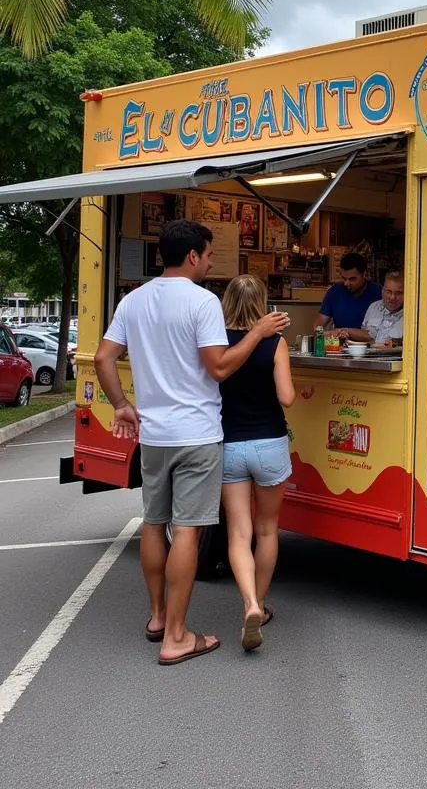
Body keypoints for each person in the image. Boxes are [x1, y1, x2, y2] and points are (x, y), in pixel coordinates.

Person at [93, 220, 290, 666]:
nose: (211, 261)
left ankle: (158, 617)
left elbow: (105, 357)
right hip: (198, 434)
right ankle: (178, 637)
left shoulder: (133, 300)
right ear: (194, 256)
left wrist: (122, 405)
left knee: (152, 522)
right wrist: (259, 333)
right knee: (188, 529)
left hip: (155, 434)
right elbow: (219, 368)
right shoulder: (202, 302)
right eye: (209, 254)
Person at [219, 275, 296, 652]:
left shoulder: (217, 344)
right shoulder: (274, 343)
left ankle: (248, 601)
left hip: (229, 445)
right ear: (262, 302)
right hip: (269, 444)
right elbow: (287, 397)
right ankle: (259, 606)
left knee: (238, 533)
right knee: (267, 530)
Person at [314, 252, 381, 339]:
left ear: (364, 274)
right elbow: (318, 326)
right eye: (344, 278)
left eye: (352, 279)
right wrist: (326, 333)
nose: (346, 283)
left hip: (370, 347)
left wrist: (344, 331)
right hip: (341, 345)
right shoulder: (334, 291)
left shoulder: (378, 292)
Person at [349, 271, 404, 345]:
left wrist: (397, 343)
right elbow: (367, 335)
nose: (392, 297)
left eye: (399, 293)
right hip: (370, 354)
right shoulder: (374, 307)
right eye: (388, 292)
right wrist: (348, 334)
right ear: (382, 291)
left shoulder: (412, 313)